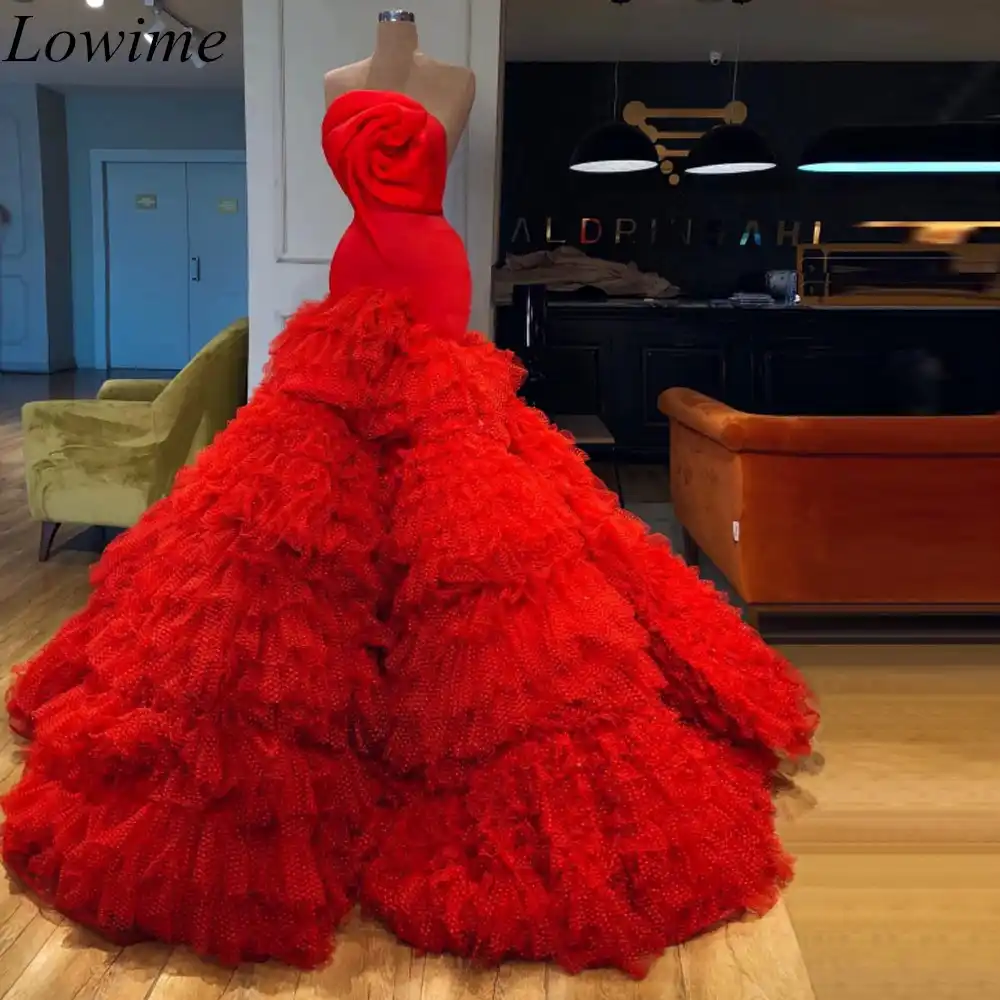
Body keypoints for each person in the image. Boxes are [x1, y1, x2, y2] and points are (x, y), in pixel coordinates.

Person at [2, 21, 818, 976]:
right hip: (359, 266)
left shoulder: (456, 78)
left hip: (432, 267)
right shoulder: (336, 74)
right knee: (313, 498)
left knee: (460, 494)